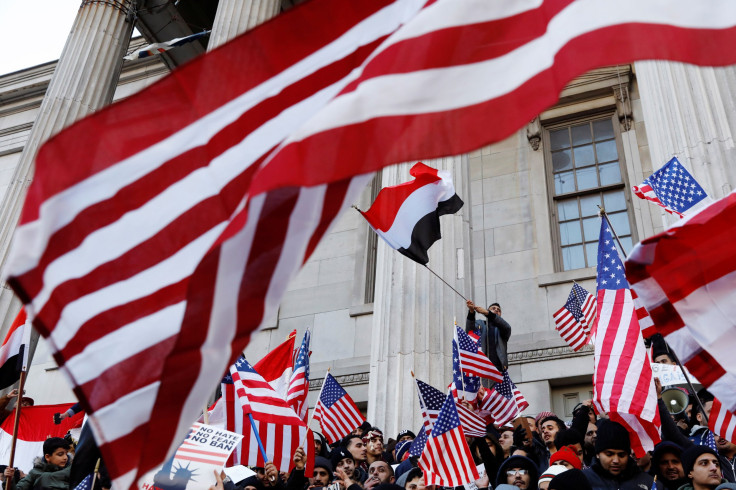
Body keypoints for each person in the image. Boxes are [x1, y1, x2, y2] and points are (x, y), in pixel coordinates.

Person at [582, 419, 661, 489]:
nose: (616, 460)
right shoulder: (582, 481)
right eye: (609, 454)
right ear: (598, 454)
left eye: (621, 455)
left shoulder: (649, 483)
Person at [465, 300, 512, 372]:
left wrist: (487, 313)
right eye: (493, 308)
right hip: (483, 369)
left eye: (498, 310)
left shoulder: (502, 329)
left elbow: (507, 327)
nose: (496, 310)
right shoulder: (480, 323)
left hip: (499, 369)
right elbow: (469, 332)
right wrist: (471, 311)